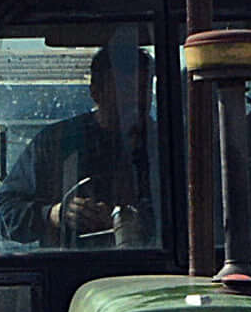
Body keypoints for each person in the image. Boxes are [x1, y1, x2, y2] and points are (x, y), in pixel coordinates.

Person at [10, 44, 154, 244]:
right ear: (96, 92)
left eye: (142, 90)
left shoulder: (169, 145)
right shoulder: (56, 142)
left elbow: (203, 212)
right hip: (69, 267)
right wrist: (55, 214)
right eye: (123, 91)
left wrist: (139, 221)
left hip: (155, 269)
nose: (134, 100)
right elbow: (7, 211)